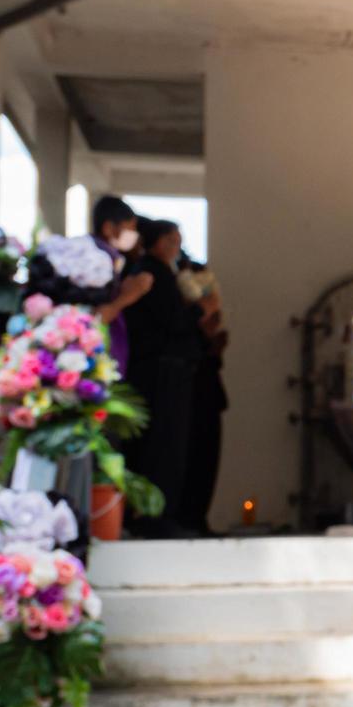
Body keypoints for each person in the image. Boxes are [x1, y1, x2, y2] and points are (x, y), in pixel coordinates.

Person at [122, 219, 213, 539]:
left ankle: (159, 513)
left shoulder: (166, 272)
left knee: (169, 445)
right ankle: (153, 516)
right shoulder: (152, 273)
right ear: (154, 241)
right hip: (161, 372)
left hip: (167, 370)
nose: (176, 243)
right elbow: (173, 321)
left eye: (179, 237)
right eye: (170, 238)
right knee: (162, 446)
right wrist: (200, 309)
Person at [176, 253, 228, 536]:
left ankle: (198, 517)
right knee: (191, 457)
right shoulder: (184, 315)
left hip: (208, 393)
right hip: (191, 393)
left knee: (206, 460)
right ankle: (187, 517)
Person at [90, 195, 153, 374]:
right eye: (131, 228)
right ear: (109, 228)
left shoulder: (111, 259)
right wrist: (129, 295)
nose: (134, 235)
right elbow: (95, 317)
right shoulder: (95, 261)